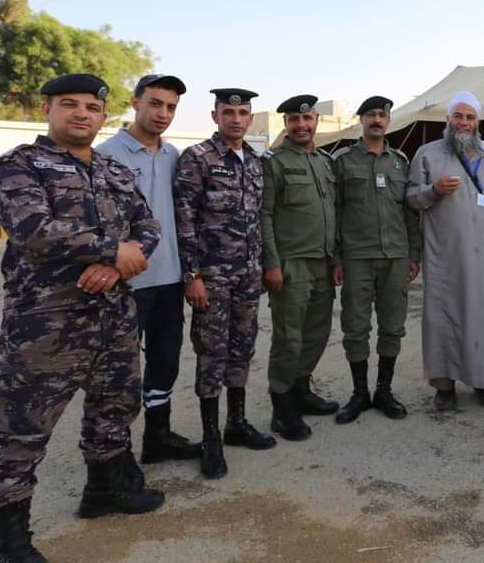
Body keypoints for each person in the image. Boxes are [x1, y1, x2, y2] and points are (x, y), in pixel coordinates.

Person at [0, 74, 164, 563]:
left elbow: (147, 225)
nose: (82, 114)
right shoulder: (19, 166)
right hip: (47, 324)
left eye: (91, 107)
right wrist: (111, 249)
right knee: (22, 430)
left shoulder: (112, 170)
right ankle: (7, 541)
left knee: (114, 409)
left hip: (113, 317)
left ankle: (103, 492)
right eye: (70, 105)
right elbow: (32, 228)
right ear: (48, 110)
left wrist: (115, 263)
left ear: (104, 116)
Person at [97, 74, 202, 464]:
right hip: (126, 285)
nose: (163, 113)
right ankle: (114, 454)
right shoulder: (107, 155)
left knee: (165, 361)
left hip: (170, 280)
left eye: (171, 107)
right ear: (135, 102)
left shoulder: (175, 156)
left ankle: (158, 437)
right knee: (118, 373)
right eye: (155, 103)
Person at [175, 88, 275, 480]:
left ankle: (236, 422)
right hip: (212, 279)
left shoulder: (254, 161)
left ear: (251, 119)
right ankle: (210, 436)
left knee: (242, 347)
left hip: (248, 275)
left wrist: (262, 266)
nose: (236, 118)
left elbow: (257, 218)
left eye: (243, 112)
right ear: (215, 116)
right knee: (211, 353)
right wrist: (192, 276)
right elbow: (184, 220)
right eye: (228, 111)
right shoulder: (197, 159)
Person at [406, 92, 484, 410]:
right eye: (458, 116)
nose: (464, 123)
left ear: (478, 122)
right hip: (444, 254)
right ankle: (444, 386)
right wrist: (433, 190)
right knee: (443, 316)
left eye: (470, 117)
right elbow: (410, 197)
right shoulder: (427, 153)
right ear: (447, 119)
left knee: (483, 316)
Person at [331, 96, 421, 423]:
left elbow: (410, 211)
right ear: (361, 120)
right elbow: (335, 212)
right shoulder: (342, 161)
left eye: (382, 115)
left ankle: (384, 390)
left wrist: (414, 253)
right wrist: (336, 257)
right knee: (355, 327)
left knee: (392, 326)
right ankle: (359, 393)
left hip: (396, 256)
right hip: (357, 256)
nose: (377, 120)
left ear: (389, 120)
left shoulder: (400, 161)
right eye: (370, 114)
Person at [261, 94, 340, 442]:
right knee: (288, 338)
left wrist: (336, 259)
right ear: (286, 125)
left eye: (307, 119)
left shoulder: (325, 162)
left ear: (316, 122)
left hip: (323, 261)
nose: (302, 125)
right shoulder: (274, 162)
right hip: (291, 264)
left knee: (317, 333)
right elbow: (263, 215)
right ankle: (282, 406)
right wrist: (272, 264)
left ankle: (301, 389)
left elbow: (333, 213)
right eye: (294, 119)